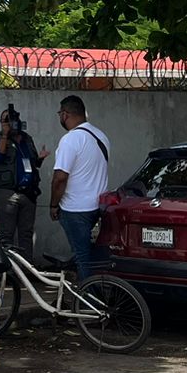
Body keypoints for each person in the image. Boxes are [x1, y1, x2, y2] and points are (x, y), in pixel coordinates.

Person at [49, 95, 110, 281]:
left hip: (75, 210)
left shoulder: (71, 140)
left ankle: (87, 302)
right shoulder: (101, 136)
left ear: (65, 114)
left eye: (60, 113)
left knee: (83, 259)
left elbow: (60, 178)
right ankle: (96, 294)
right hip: (98, 207)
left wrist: (53, 205)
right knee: (93, 258)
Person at [0, 105, 49, 255]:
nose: (11, 122)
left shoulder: (27, 139)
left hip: (28, 193)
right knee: (7, 234)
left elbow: (33, 163)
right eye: (5, 120)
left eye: (13, 119)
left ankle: (26, 271)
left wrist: (40, 158)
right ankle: (8, 273)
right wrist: (5, 135)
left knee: (26, 234)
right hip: (8, 193)